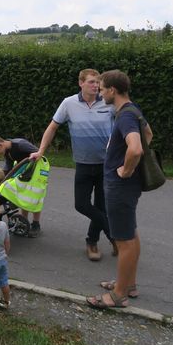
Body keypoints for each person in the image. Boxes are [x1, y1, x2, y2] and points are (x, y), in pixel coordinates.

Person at [29, 69, 115, 261]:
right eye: (92, 82)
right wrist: (41, 150)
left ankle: (92, 243)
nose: (96, 86)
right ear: (81, 83)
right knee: (81, 204)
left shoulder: (109, 102)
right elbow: (52, 127)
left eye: (97, 82)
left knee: (101, 206)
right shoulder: (69, 103)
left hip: (106, 164)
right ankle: (115, 235)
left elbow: (122, 126)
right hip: (83, 164)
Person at [87, 70, 152, 309]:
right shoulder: (133, 110)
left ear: (112, 90)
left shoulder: (124, 115)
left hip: (120, 185)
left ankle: (118, 295)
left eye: (102, 88)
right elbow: (148, 134)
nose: (100, 92)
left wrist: (125, 169)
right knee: (130, 235)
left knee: (123, 240)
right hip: (128, 187)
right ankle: (128, 284)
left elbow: (136, 148)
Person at [0, 135, 41, 237]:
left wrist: (31, 161)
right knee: (24, 197)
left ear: (0, 145)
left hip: (36, 172)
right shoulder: (7, 153)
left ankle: (36, 224)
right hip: (25, 174)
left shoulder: (20, 144)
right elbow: (8, 168)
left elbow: (39, 152)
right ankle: (24, 222)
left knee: (35, 197)